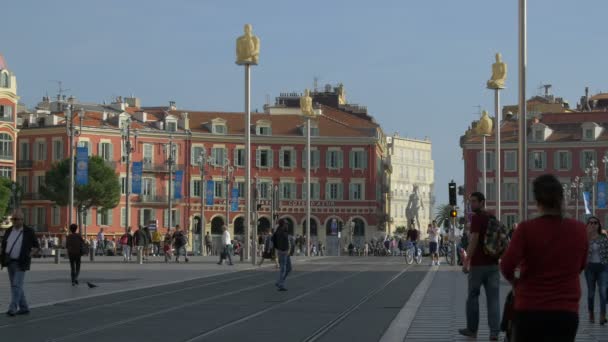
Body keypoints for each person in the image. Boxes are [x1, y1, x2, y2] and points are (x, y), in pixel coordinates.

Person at [501, 174, 588, 342]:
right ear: (562, 197)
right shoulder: (579, 230)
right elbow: (581, 265)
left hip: (530, 309)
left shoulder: (526, 230)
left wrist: (516, 283)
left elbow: (506, 265)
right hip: (566, 311)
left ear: (537, 201)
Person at [458, 192, 500, 341]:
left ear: (483, 202)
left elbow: (474, 239)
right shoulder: (492, 217)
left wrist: (466, 261)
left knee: (472, 297)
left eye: (475, 201)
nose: (472, 204)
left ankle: (472, 330)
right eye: (470, 201)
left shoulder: (477, 218)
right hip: (493, 265)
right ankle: (494, 332)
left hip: (478, 266)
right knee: (493, 299)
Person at [0, 210, 40, 316]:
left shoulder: (29, 231)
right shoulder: (9, 230)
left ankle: (13, 308)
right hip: (10, 262)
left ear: (22, 220)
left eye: (16, 219)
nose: (14, 221)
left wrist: (29, 255)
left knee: (16, 285)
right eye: (13, 219)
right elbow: (4, 245)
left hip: (21, 262)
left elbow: (36, 247)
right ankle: (24, 307)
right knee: (16, 285)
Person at [583, 216, 608, 324]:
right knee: (591, 293)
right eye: (591, 223)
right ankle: (591, 313)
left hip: (602, 267)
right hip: (590, 268)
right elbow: (581, 252)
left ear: (598, 225)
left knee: (603, 292)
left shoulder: (603, 237)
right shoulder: (584, 238)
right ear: (588, 225)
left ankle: (602, 316)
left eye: (595, 223)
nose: (593, 225)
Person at [273, 220, 291, 291]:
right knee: (283, 269)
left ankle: (279, 282)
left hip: (286, 252)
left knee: (289, 268)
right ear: (283, 224)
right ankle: (281, 285)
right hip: (283, 252)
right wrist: (282, 250)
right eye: (286, 224)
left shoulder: (284, 231)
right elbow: (277, 241)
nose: (287, 225)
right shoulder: (280, 232)